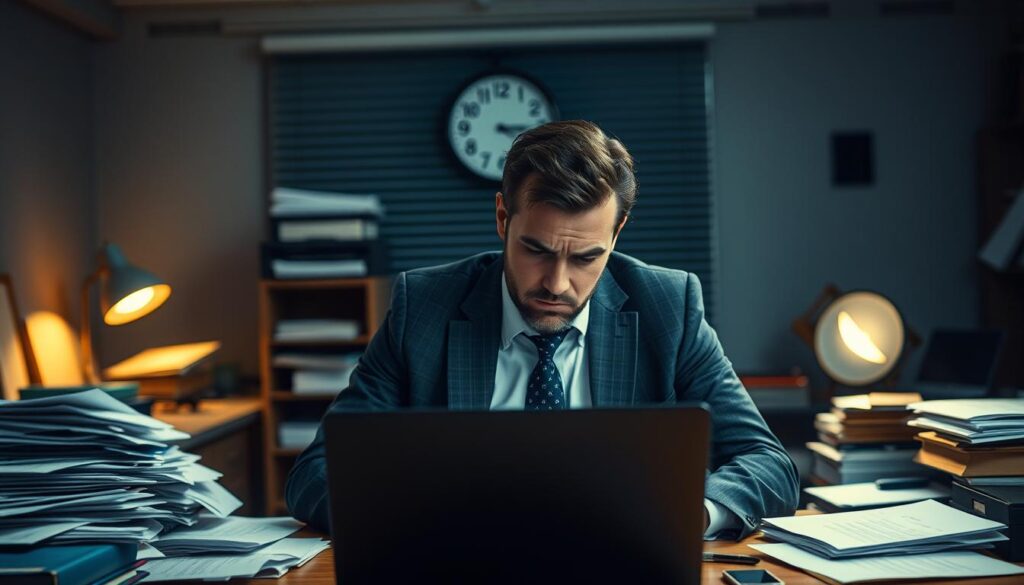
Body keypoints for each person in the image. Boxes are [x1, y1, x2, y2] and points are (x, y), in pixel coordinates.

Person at [286, 120, 799, 539]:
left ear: (616, 234)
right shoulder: (425, 307)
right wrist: (419, 520)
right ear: (503, 217)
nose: (557, 283)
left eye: (586, 257)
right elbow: (315, 473)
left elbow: (769, 463)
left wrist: (694, 515)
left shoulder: (669, 306)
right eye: (537, 250)